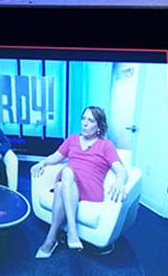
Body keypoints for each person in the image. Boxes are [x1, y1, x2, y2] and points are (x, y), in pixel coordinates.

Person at [31, 106, 129, 257]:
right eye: (83, 119)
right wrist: (42, 163)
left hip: (90, 188)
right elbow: (56, 156)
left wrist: (119, 181)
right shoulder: (72, 139)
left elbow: (120, 169)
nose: (85, 123)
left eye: (90, 120)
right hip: (68, 183)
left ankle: (60, 236)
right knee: (63, 181)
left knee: (65, 176)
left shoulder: (106, 145)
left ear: (99, 126)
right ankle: (60, 236)